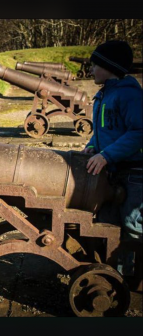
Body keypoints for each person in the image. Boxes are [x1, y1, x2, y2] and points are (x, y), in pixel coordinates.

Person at [81, 40, 143, 276]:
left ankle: (131, 275)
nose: (91, 70)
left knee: (132, 225)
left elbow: (139, 132)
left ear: (110, 67)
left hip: (135, 172)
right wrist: (92, 146)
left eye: (95, 65)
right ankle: (118, 273)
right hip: (115, 170)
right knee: (109, 223)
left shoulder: (129, 96)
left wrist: (107, 154)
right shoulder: (105, 95)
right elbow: (105, 131)